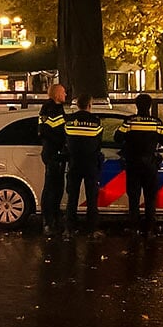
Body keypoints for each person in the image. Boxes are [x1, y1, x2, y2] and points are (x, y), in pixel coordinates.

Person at [118, 94, 163, 235]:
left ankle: (133, 226)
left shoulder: (130, 122)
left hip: (133, 163)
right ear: (150, 106)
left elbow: (117, 137)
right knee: (150, 197)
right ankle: (149, 227)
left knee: (133, 197)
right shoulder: (156, 123)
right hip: (150, 164)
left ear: (136, 105)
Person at [64, 95, 106, 233]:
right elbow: (98, 143)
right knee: (91, 198)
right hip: (91, 163)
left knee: (72, 198)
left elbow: (66, 140)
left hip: (74, 163)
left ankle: (70, 229)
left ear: (77, 105)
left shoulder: (69, 121)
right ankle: (92, 229)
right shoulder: (96, 122)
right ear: (89, 105)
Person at [37, 83, 70, 236]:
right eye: (63, 92)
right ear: (57, 94)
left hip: (58, 154)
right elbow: (44, 131)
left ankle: (55, 217)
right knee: (50, 189)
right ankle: (47, 221)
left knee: (58, 188)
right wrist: (60, 143)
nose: (66, 95)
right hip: (52, 154)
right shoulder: (47, 109)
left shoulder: (58, 108)